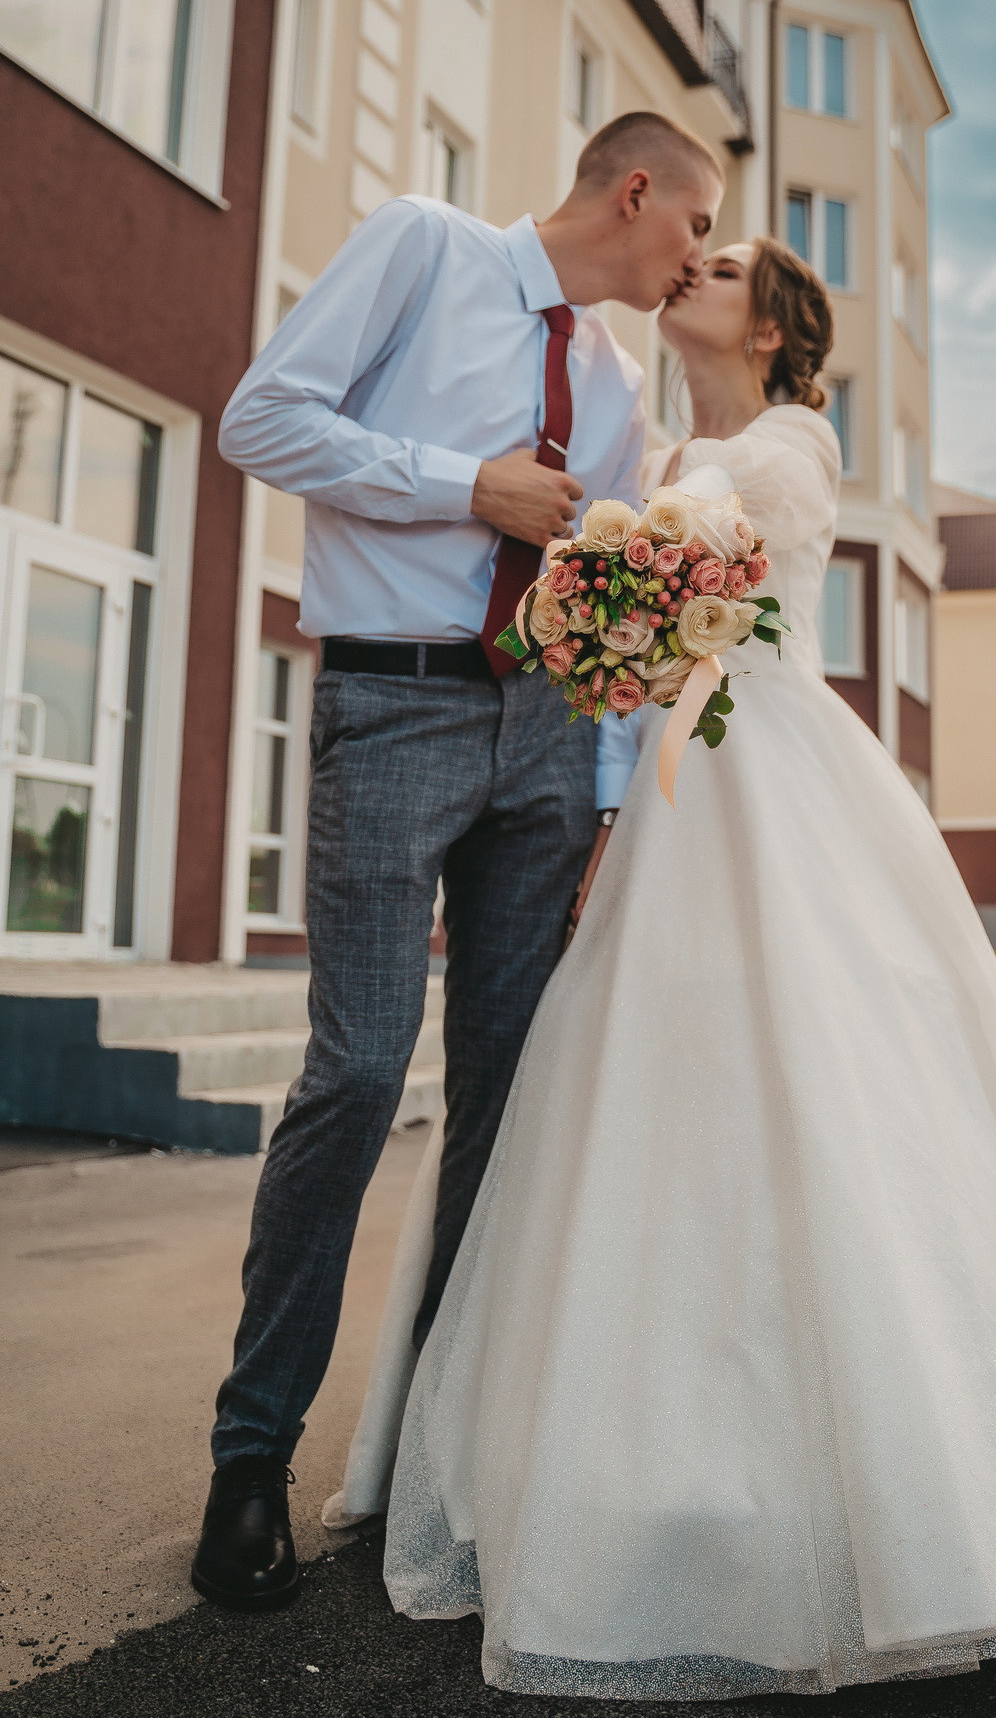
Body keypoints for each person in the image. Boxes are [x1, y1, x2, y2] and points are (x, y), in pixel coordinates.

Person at [328, 236, 996, 1694]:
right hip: (677, 795)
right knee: (644, 1111)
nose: (693, 266)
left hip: (780, 779)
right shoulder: (665, 436)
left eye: (726, 260)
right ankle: (641, 1466)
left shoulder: (795, 441)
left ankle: (903, 1495)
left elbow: (719, 576)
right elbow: (649, 628)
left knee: (828, 1089)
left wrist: (628, 573)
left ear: (776, 323)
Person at [190, 112, 725, 1612]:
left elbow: (611, 605)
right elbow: (258, 421)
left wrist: (609, 803)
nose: (696, 260)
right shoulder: (421, 247)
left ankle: (435, 1447)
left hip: (547, 739)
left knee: (507, 1088)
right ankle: (249, 1454)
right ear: (637, 194)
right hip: (393, 703)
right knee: (357, 1074)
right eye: (695, 227)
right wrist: (462, 483)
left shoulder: (615, 386)